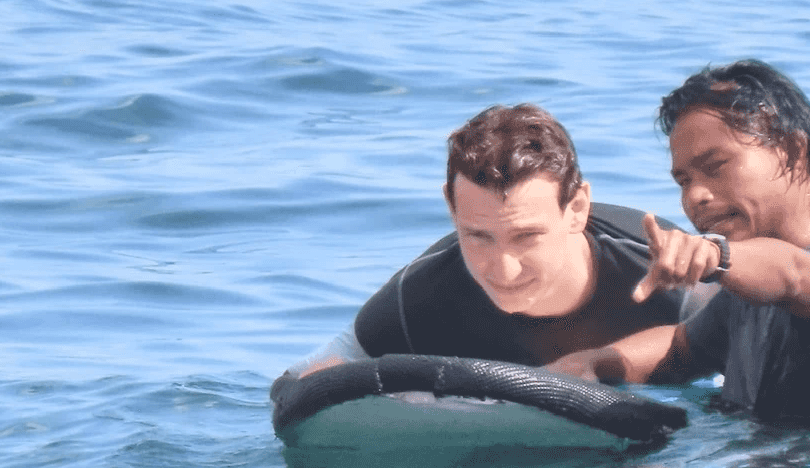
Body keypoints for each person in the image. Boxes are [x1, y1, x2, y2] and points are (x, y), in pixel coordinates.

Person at [549, 60, 810, 429]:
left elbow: (793, 274)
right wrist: (594, 362)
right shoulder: (746, 297)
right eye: (683, 180)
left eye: (716, 166)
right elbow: (681, 348)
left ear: (794, 152)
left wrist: (716, 255)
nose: (695, 195)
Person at [294, 103, 696, 375]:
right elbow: (300, 385)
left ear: (576, 209)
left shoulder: (664, 271)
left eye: (527, 236)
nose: (504, 268)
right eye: (479, 237)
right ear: (452, 211)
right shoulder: (419, 297)